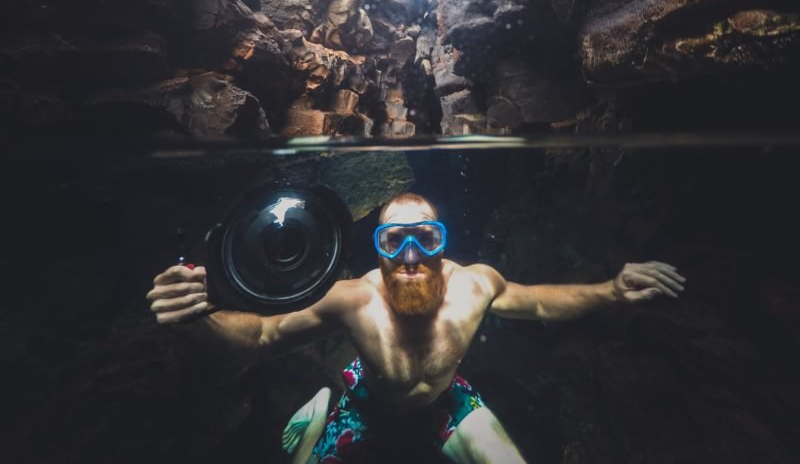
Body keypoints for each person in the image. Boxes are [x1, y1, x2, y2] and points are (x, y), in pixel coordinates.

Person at [146, 192, 686, 463]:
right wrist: (199, 318)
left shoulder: (474, 286)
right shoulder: (353, 298)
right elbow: (261, 338)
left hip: (446, 401)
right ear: (376, 250)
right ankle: (326, 397)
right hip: (366, 404)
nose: (409, 256)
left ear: (442, 242)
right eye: (393, 241)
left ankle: (329, 390)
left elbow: (539, 303)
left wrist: (612, 290)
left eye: (424, 238)